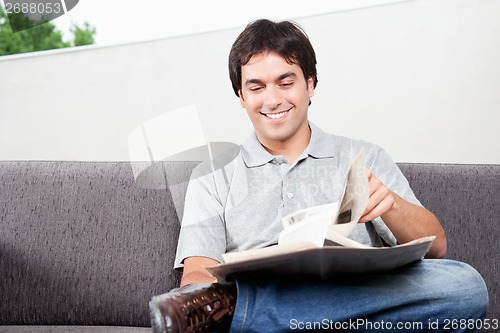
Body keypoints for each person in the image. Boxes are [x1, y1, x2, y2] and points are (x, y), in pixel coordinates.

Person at [149, 19, 488, 332]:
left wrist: (391, 206)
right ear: (241, 96)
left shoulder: (364, 156)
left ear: (310, 85)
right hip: (270, 289)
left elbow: (436, 248)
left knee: (464, 284)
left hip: (351, 293)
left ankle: (260, 313)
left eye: (286, 82)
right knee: (221, 297)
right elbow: (197, 273)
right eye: (256, 87)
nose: (273, 99)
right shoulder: (212, 174)